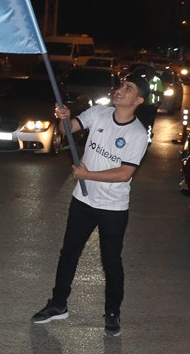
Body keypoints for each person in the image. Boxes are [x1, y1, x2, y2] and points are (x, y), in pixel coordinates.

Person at [31, 74, 151, 337]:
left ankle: (112, 313)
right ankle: (58, 304)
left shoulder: (137, 134)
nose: (120, 90)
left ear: (138, 100)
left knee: (111, 261)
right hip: (83, 200)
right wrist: (63, 117)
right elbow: (68, 129)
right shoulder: (98, 113)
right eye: (121, 86)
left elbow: (124, 173)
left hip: (113, 207)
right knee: (69, 253)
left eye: (127, 89)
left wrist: (88, 175)